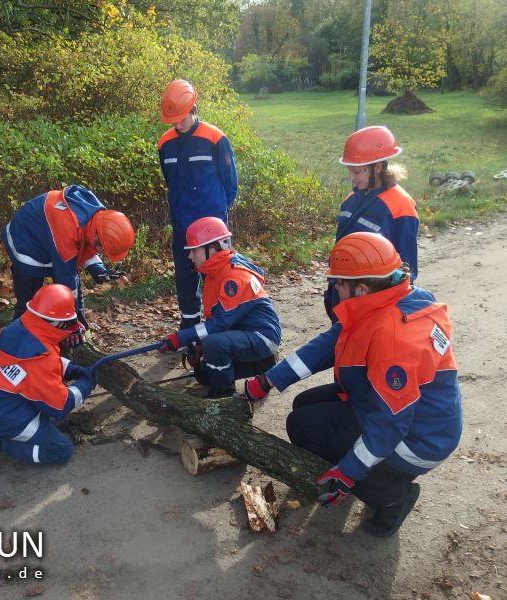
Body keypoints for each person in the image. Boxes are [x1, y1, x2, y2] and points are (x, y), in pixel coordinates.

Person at [239, 232, 462, 537]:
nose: (334, 288)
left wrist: (348, 473)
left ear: (362, 287)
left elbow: (389, 424)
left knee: (303, 424)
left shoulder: (393, 338)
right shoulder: (388, 300)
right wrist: (268, 381)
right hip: (394, 407)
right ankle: (354, 468)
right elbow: (326, 346)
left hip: (416, 437)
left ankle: (390, 496)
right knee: (303, 405)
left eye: (339, 283)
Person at [0, 284, 97, 467]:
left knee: (45, 410)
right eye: (67, 322)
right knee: (60, 451)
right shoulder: (40, 357)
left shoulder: (22, 328)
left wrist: (72, 369)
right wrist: (84, 385)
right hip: (11, 415)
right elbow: (60, 406)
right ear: (58, 323)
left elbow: (42, 364)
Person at [156, 217, 280, 398]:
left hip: (262, 336)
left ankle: (223, 395)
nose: (190, 256)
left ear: (212, 249)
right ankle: (262, 364)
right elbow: (216, 318)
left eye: (193, 251)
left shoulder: (234, 278)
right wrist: (197, 344)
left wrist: (181, 338)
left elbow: (220, 324)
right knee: (204, 373)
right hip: (242, 332)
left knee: (214, 345)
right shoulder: (216, 272)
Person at [2, 184, 135, 346]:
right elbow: (66, 281)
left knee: (72, 289)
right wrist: (72, 324)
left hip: (47, 234)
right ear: (97, 238)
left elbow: (84, 243)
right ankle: (14, 344)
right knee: (29, 304)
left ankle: (77, 335)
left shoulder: (97, 217)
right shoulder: (66, 229)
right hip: (25, 241)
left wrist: (97, 269)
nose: (103, 254)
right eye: (103, 249)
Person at [158, 79, 238, 331]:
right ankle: (189, 323)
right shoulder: (164, 143)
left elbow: (230, 182)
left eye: (182, 118)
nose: (178, 124)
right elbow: (169, 179)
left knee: (215, 271)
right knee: (184, 274)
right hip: (182, 221)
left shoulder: (215, 138)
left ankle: (218, 321)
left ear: (193, 109)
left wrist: (218, 212)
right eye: (173, 120)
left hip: (212, 224)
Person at [325, 125, 419, 322]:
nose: (352, 177)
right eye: (350, 171)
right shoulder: (351, 200)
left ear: (377, 167)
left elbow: (406, 270)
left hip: (372, 306)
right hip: (342, 295)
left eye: (357, 172)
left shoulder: (400, 206)